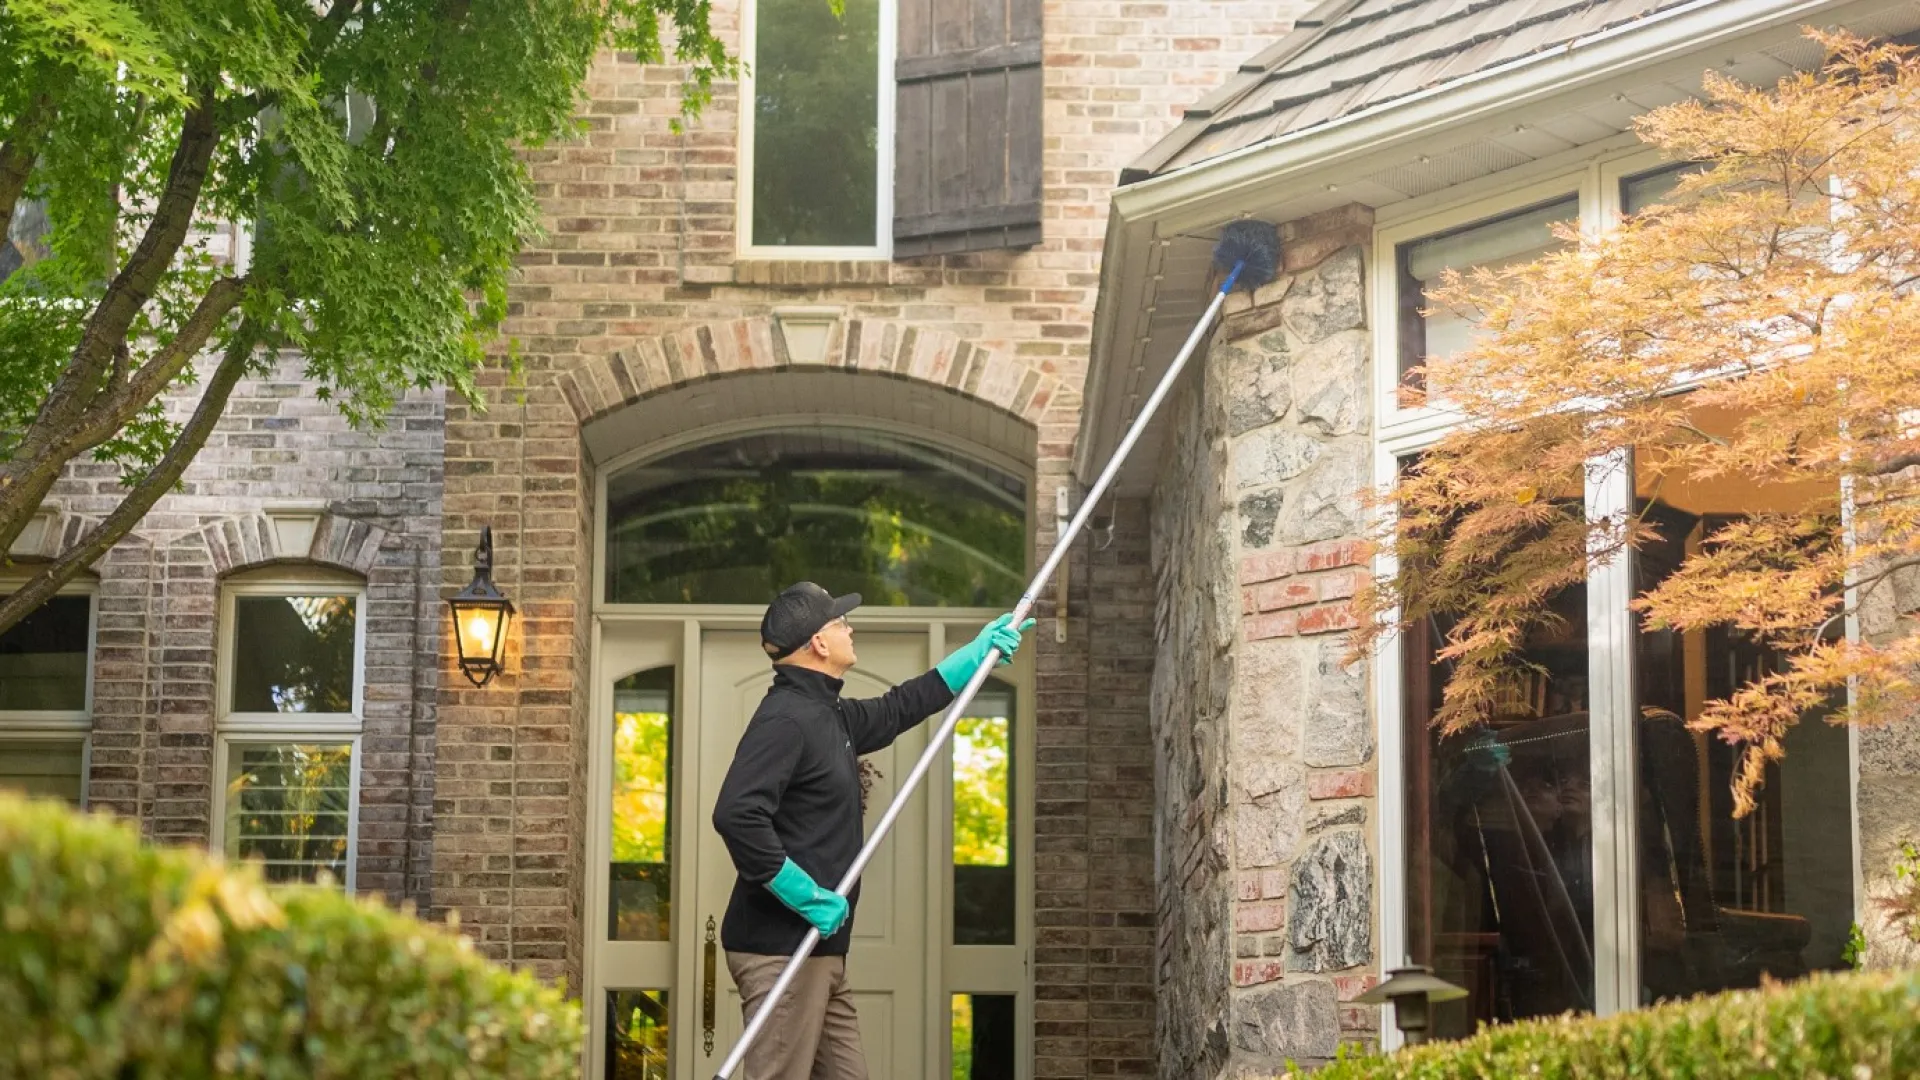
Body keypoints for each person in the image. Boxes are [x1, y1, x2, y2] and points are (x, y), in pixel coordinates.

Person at [712, 581, 1031, 1080]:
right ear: (818, 643)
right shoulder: (787, 719)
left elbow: (896, 710)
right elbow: (736, 813)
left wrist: (975, 654)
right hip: (782, 949)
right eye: (840, 622)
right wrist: (804, 894)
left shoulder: (826, 712)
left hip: (821, 950)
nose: (850, 627)